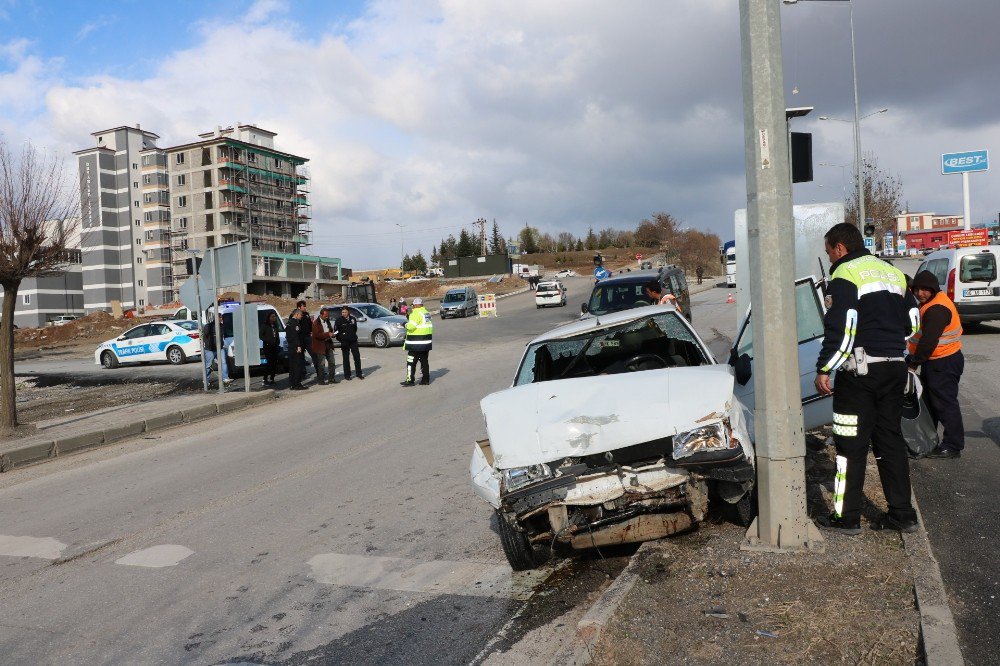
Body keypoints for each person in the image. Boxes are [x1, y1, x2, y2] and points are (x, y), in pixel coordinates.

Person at [814, 222, 920, 535]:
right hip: (894, 368)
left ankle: (845, 518)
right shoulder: (891, 272)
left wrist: (825, 367)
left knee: (849, 446)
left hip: (859, 374)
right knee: (890, 440)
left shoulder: (844, 273)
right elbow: (913, 323)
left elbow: (843, 327)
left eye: (829, 252)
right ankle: (903, 514)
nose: (831, 259)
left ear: (839, 248)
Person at [906, 270, 964, 459]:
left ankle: (953, 446)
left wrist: (913, 363)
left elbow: (928, 341)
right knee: (931, 404)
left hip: (944, 362)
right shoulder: (931, 302)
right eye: (917, 289)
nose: (920, 293)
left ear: (933, 289)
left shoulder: (936, 309)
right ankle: (928, 441)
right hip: (938, 361)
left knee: (945, 405)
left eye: (925, 290)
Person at [401, 297, 433, 386]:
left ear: (416, 305)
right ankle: (425, 380)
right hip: (426, 343)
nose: (413, 307)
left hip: (415, 343)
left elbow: (411, 326)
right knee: (424, 362)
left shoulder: (415, 313)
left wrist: (404, 324)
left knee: (410, 362)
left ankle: (410, 380)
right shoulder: (426, 313)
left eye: (413, 306)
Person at [202, 315, 233, 388]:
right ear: (216, 318)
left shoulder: (222, 326)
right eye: (220, 318)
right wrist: (208, 344)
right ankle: (206, 380)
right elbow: (205, 336)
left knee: (223, 362)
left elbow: (223, 335)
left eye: (222, 318)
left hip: (220, 348)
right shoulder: (208, 326)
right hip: (210, 349)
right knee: (208, 365)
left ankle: (225, 377)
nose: (221, 319)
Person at [334, 306, 364, 380]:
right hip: (344, 342)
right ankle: (347, 375)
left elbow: (355, 329)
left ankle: (359, 373)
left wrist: (351, 335)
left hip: (353, 341)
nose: (343, 314)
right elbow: (336, 331)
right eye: (342, 312)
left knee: (357, 357)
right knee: (346, 359)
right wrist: (341, 338)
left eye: (345, 312)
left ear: (348, 312)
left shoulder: (353, 319)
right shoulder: (338, 320)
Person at [311, 307, 338, 385]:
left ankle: (331, 379)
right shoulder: (316, 323)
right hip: (320, 346)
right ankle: (321, 380)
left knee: (332, 362)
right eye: (325, 315)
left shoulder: (327, 321)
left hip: (328, 344)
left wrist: (332, 334)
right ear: (321, 315)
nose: (327, 317)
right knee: (321, 364)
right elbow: (317, 335)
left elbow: (330, 330)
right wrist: (327, 334)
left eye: (328, 315)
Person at [285, 309, 308, 390]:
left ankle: (292, 384)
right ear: (297, 314)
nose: (302, 316)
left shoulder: (289, 322)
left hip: (291, 347)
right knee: (297, 366)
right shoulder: (295, 323)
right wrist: (298, 346)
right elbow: (295, 336)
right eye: (301, 315)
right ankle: (297, 384)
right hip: (295, 347)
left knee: (292, 367)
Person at [259, 311, 281, 386]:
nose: (274, 318)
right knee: (269, 362)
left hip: (274, 346)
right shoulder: (265, 325)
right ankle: (265, 379)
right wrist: (268, 340)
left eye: (274, 317)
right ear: (269, 318)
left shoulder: (275, 325)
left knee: (274, 363)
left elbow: (276, 335)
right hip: (268, 346)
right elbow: (261, 335)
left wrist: (277, 342)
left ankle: (272, 378)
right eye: (272, 317)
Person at [294, 300, 314, 380]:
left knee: (314, 354)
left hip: (308, 338)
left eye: (305, 306)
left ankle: (320, 371)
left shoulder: (307, 315)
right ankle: (302, 373)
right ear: (299, 307)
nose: (305, 307)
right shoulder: (295, 316)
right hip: (300, 339)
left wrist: (311, 332)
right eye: (304, 306)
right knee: (301, 357)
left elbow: (310, 325)